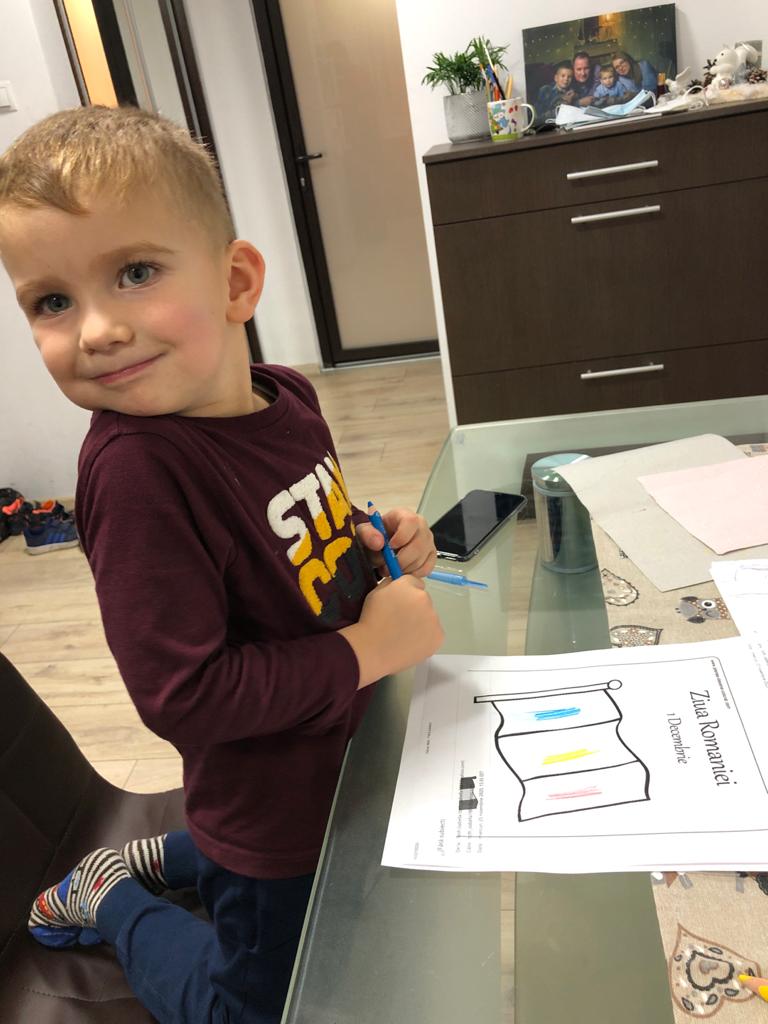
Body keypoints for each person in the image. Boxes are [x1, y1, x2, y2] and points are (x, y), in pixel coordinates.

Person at [0, 105, 444, 1024]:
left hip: (342, 756)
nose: (95, 330)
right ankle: (112, 898)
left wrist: (381, 539)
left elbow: (296, 547)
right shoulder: (137, 475)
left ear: (237, 281)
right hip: (271, 815)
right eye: (51, 301)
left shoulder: (288, 398)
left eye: (135, 273)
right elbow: (185, 697)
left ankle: (173, 854)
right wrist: (368, 651)